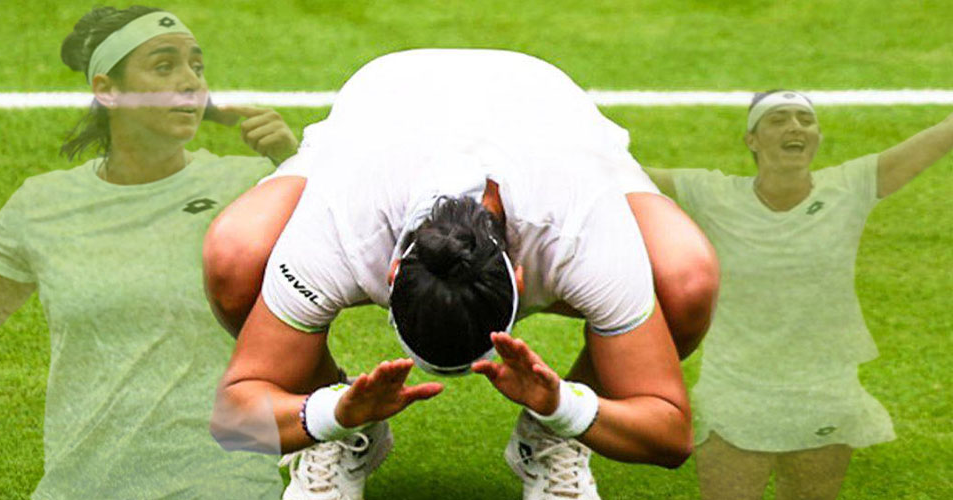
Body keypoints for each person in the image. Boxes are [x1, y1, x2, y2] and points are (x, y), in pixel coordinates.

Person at [206, 49, 718, 500]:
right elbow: (233, 419)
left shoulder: (580, 230)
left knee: (686, 281)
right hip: (387, 106)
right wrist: (332, 413)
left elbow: (670, 436)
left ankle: (552, 438)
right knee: (235, 258)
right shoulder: (341, 229)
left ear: (521, 279)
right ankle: (339, 434)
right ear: (389, 271)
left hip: (546, 115)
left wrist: (564, 408)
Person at [0, 6, 298, 498]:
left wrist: (291, 161)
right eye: (164, 66)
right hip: (80, 486)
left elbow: (346, 259)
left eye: (197, 67)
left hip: (223, 481)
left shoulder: (248, 186)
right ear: (107, 89)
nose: (190, 82)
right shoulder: (43, 206)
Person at [645, 90, 951, 500]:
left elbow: (935, 140)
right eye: (778, 119)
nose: (795, 127)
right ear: (752, 140)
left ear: (817, 138)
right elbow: (622, 175)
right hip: (734, 389)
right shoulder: (710, 193)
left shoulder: (850, 187)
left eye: (805, 120)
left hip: (825, 390)